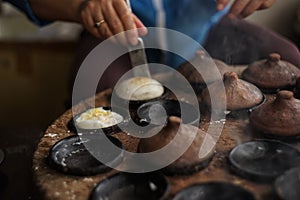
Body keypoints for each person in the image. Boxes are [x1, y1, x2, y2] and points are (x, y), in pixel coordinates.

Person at [4, 0, 300, 93]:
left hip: (209, 26)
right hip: (118, 32)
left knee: (288, 63)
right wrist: (81, 4)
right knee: (96, 89)